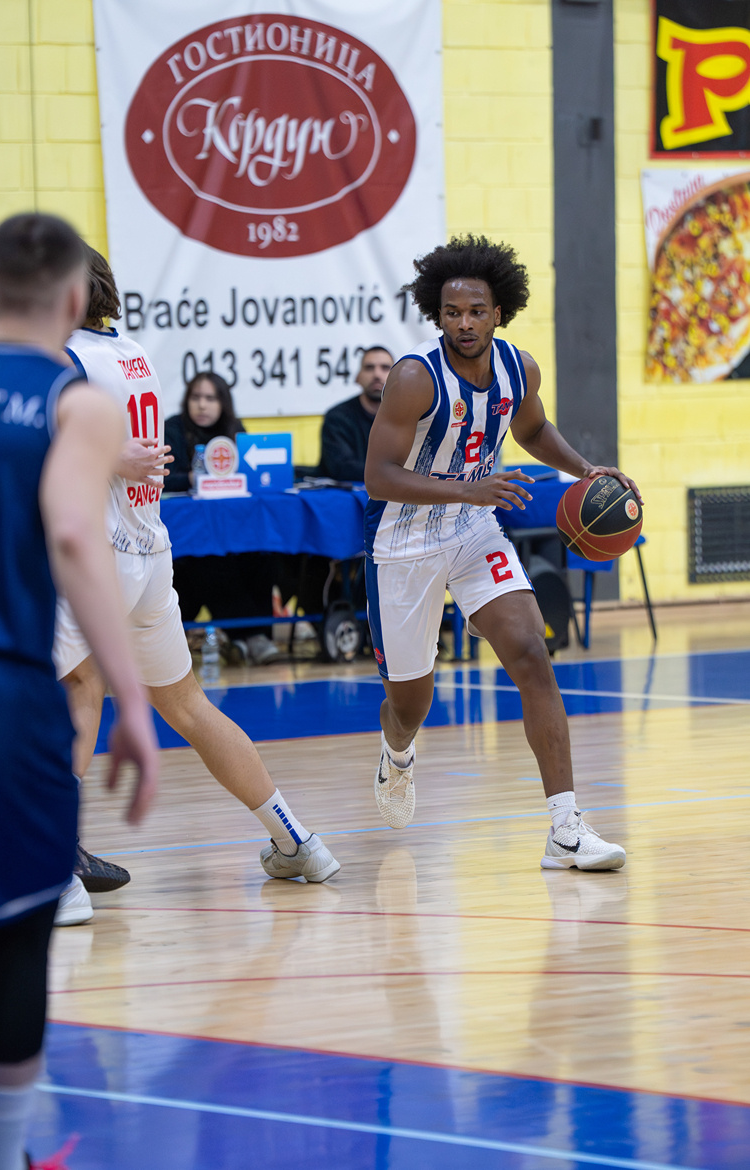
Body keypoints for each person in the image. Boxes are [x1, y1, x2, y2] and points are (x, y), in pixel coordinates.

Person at [55, 247, 340, 899]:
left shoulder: (65, 360)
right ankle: (296, 839)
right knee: (186, 704)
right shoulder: (131, 352)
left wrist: (106, 456)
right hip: (148, 557)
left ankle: (53, 868)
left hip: (100, 557)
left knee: (74, 690)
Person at [0, 212, 159, 1170]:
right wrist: (131, 700)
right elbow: (77, 537)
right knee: (18, 933)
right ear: (79, 299)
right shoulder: (73, 401)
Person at [364, 235, 642, 871]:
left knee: (530, 652)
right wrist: (470, 486)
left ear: (498, 312)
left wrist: (585, 470)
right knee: (410, 704)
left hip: (473, 528)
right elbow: (378, 477)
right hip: (404, 541)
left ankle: (565, 830)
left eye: (476, 311)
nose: (464, 323)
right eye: (452, 312)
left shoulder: (520, 369)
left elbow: (532, 428)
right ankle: (397, 752)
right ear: (437, 314)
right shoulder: (414, 378)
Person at [165, 373, 279, 666]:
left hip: (233, 528)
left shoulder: (235, 431)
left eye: (210, 398)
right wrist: (192, 479)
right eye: (196, 397)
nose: (202, 405)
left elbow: (248, 477)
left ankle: (248, 637)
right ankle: (251, 637)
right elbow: (162, 478)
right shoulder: (172, 429)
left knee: (261, 556)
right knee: (209, 560)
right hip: (188, 536)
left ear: (223, 403)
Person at [318, 346, 393, 481]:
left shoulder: (410, 418)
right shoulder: (337, 418)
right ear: (357, 377)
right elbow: (341, 468)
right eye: (369, 368)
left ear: (398, 378)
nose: (377, 374)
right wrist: (394, 474)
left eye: (385, 368)